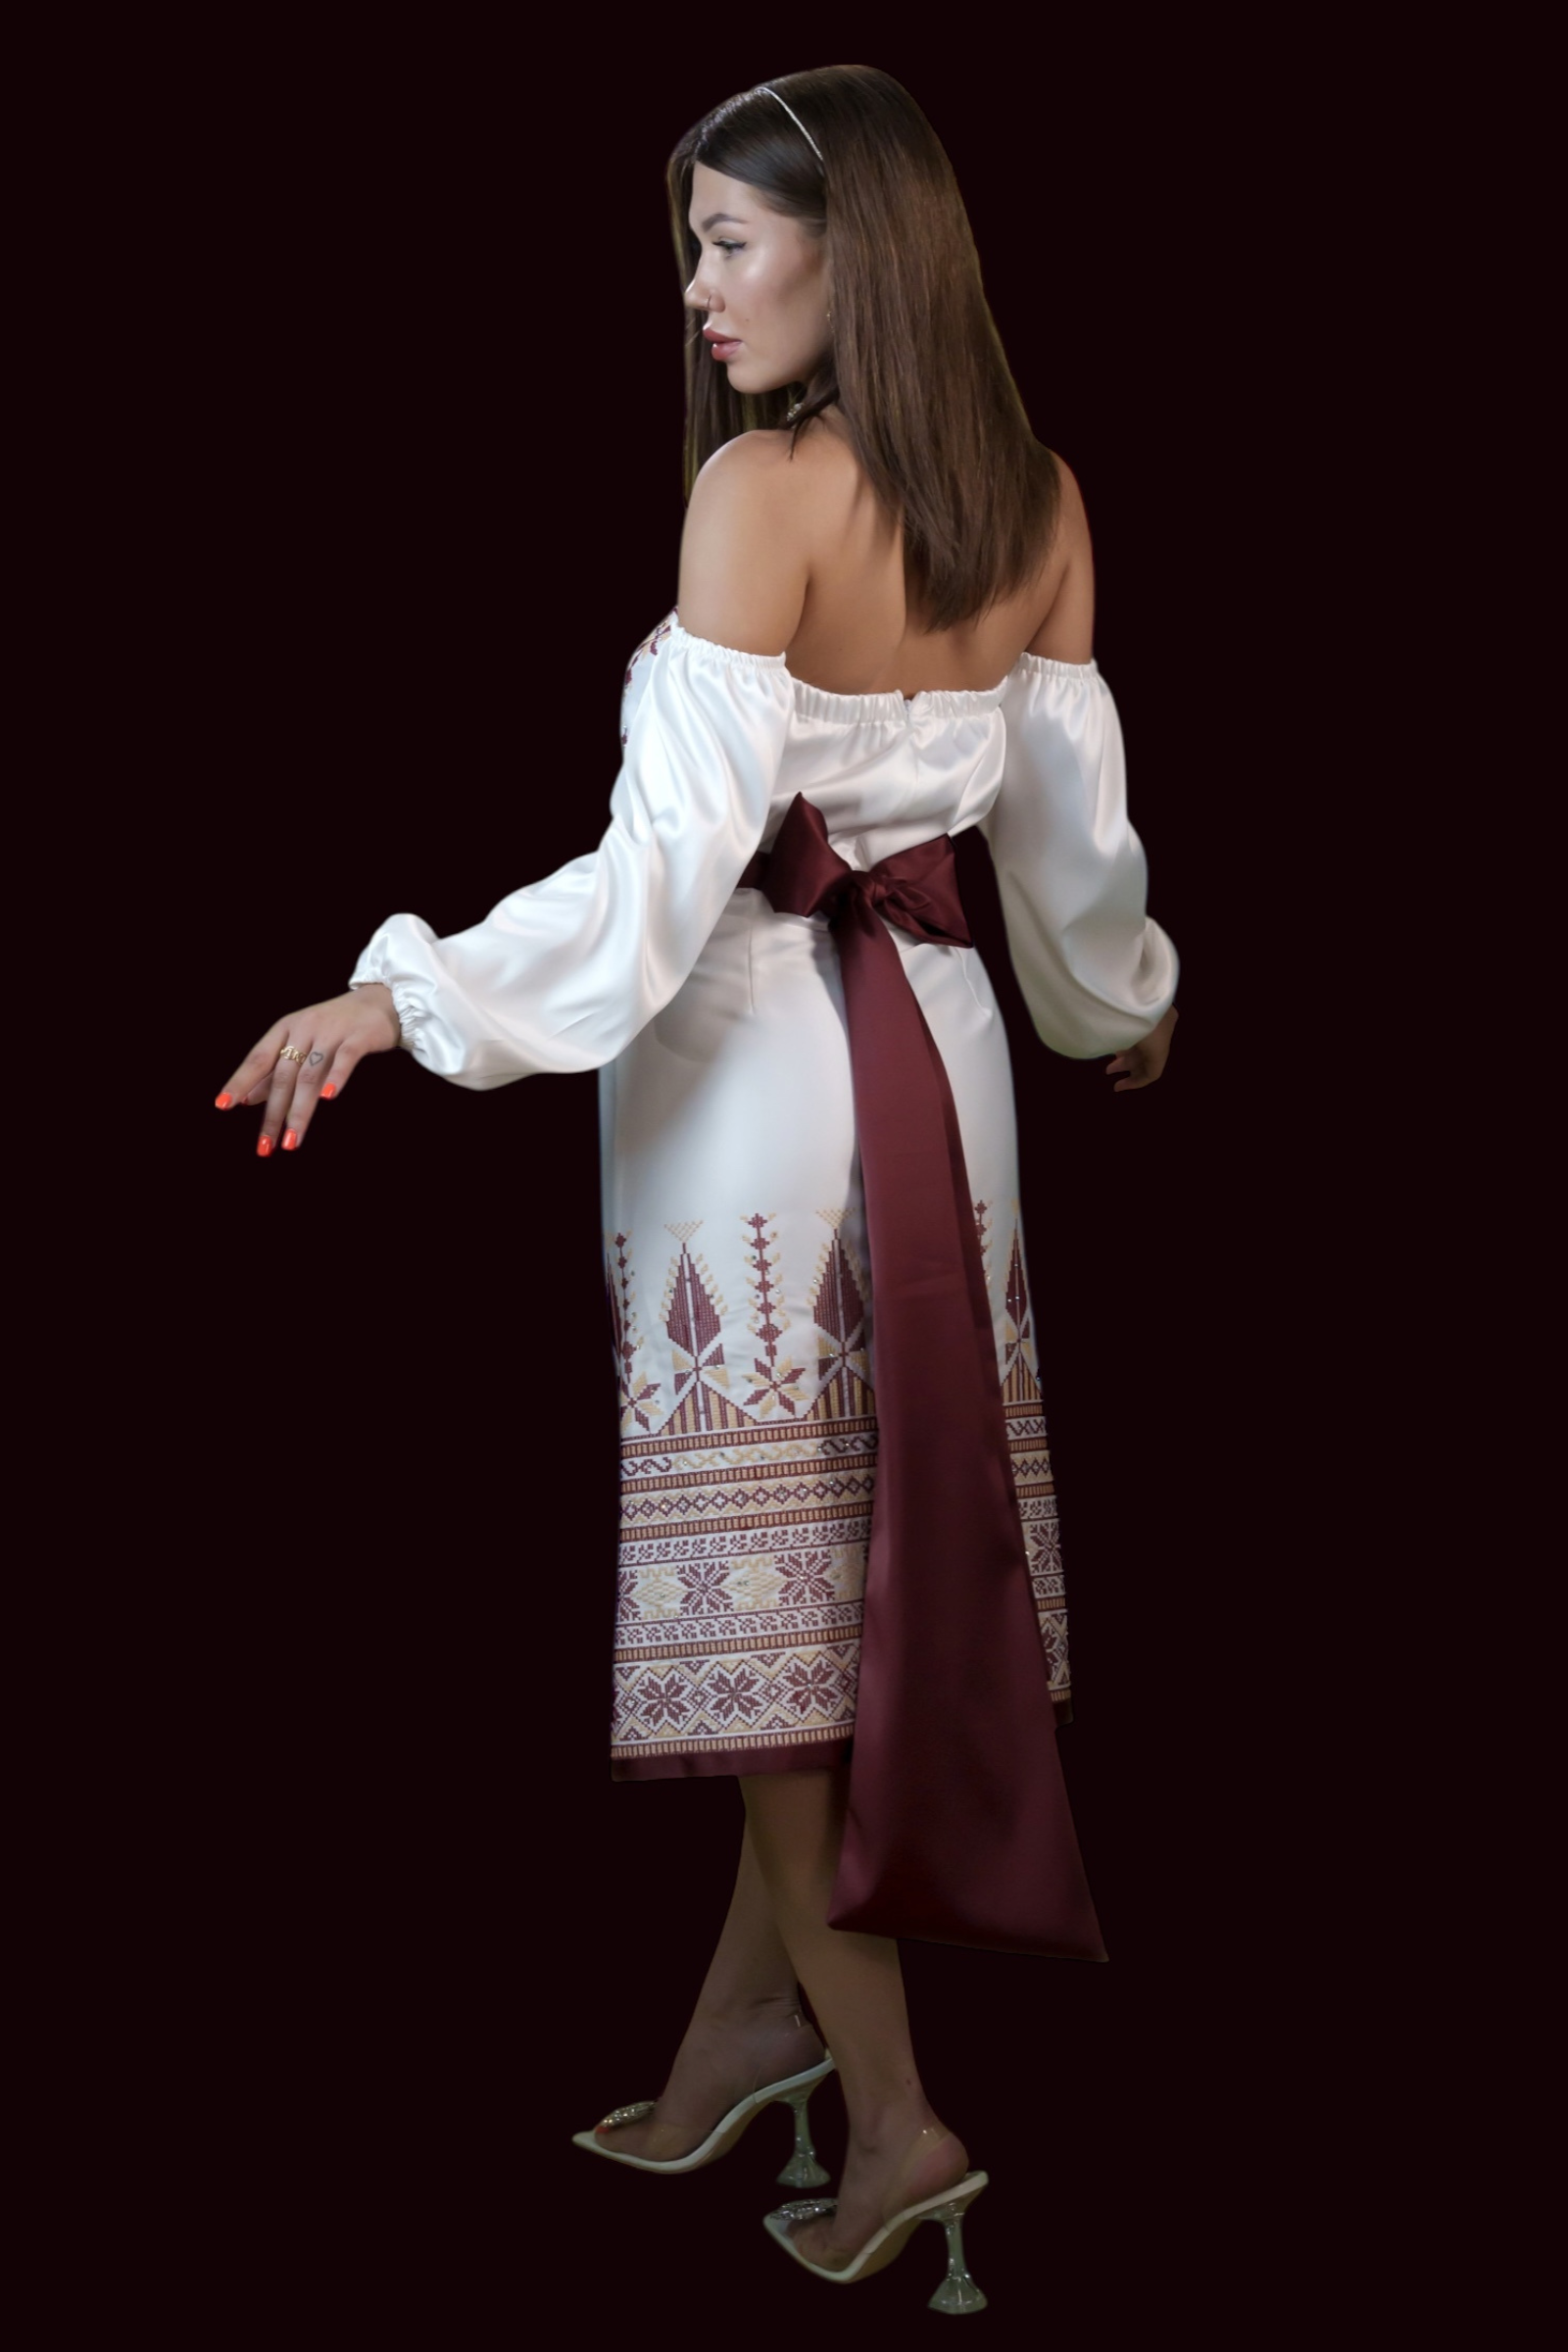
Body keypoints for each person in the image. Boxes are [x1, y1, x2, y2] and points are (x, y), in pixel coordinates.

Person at [214, 67, 1178, 2309]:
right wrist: (1116, 997)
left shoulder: (760, 491)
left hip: (749, 1060)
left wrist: (406, 996)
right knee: (863, 1570)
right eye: (694, 246)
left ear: (861, 248)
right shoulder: (1035, 497)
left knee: (773, 1615)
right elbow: (1067, 842)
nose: (695, 290)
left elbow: (665, 876)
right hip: (942, 1056)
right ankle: (745, 2035)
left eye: (730, 243)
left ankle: (898, 2119)